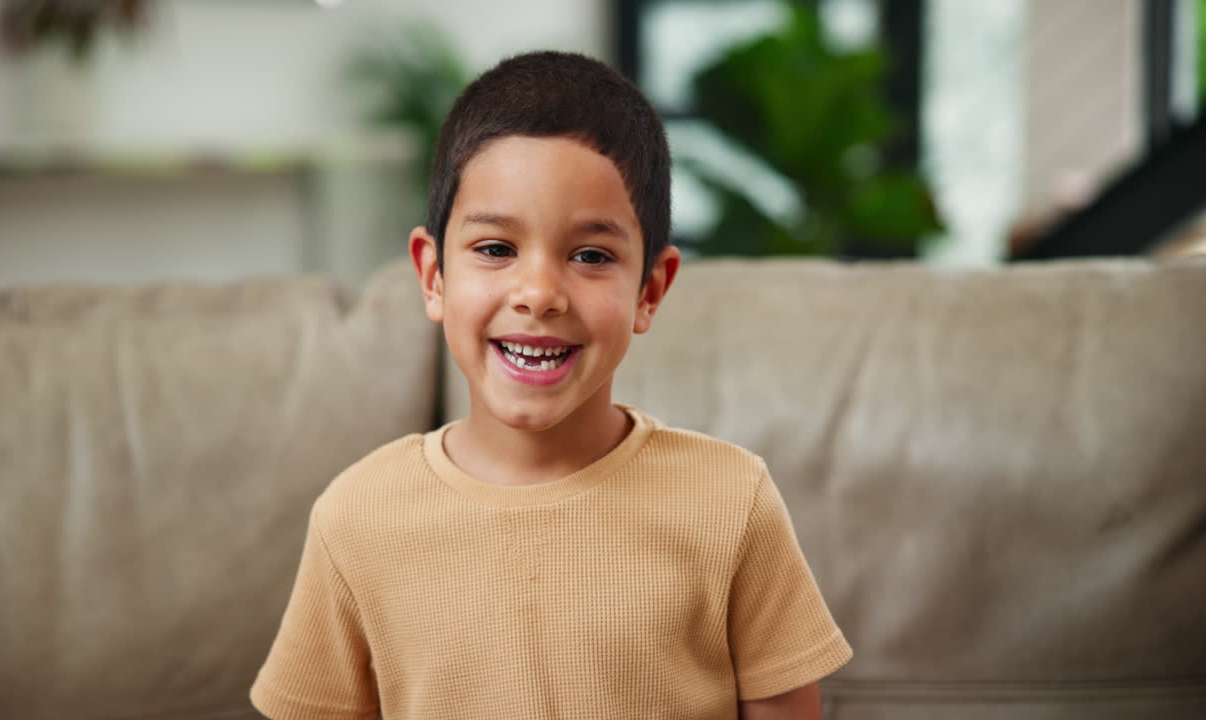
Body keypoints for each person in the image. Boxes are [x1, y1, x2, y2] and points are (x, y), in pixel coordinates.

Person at [250, 50, 852, 720]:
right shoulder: (355, 517)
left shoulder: (733, 503)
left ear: (650, 290)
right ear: (433, 274)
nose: (538, 294)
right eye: (495, 249)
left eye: (591, 256)